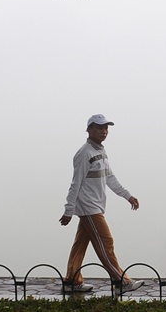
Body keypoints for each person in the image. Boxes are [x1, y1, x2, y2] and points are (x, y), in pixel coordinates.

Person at [60, 114, 144, 293]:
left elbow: (110, 178)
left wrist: (128, 196)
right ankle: (122, 282)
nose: (104, 131)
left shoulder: (100, 151)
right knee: (106, 242)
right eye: (99, 128)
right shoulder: (84, 153)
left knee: (80, 244)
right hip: (89, 208)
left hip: (96, 206)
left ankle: (72, 282)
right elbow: (76, 183)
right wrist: (68, 210)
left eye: (106, 128)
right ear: (89, 129)